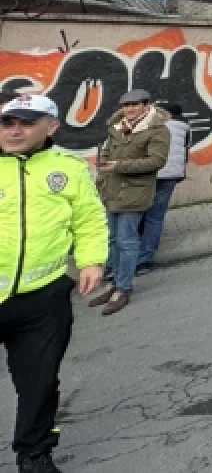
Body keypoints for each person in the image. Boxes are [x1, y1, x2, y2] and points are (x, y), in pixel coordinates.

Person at [0, 95, 107, 473]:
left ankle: (34, 454)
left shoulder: (69, 168)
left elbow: (88, 217)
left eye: (26, 122)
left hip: (43, 299)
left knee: (40, 383)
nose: (14, 130)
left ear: (52, 127)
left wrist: (91, 259)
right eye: (7, 122)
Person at [88, 89, 171, 315]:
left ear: (146, 105)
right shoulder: (117, 126)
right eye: (126, 105)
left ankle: (123, 288)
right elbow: (106, 152)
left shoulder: (158, 130)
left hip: (134, 193)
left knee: (127, 241)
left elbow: (157, 161)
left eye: (135, 105)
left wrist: (118, 166)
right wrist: (104, 167)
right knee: (112, 239)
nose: (130, 109)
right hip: (111, 190)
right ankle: (114, 282)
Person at [136, 103, 189, 274]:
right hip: (171, 175)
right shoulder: (185, 127)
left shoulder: (151, 124)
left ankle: (131, 254)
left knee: (138, 211)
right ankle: (145, 260)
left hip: (149, 172)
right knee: (156, 217)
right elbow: (185, 150)